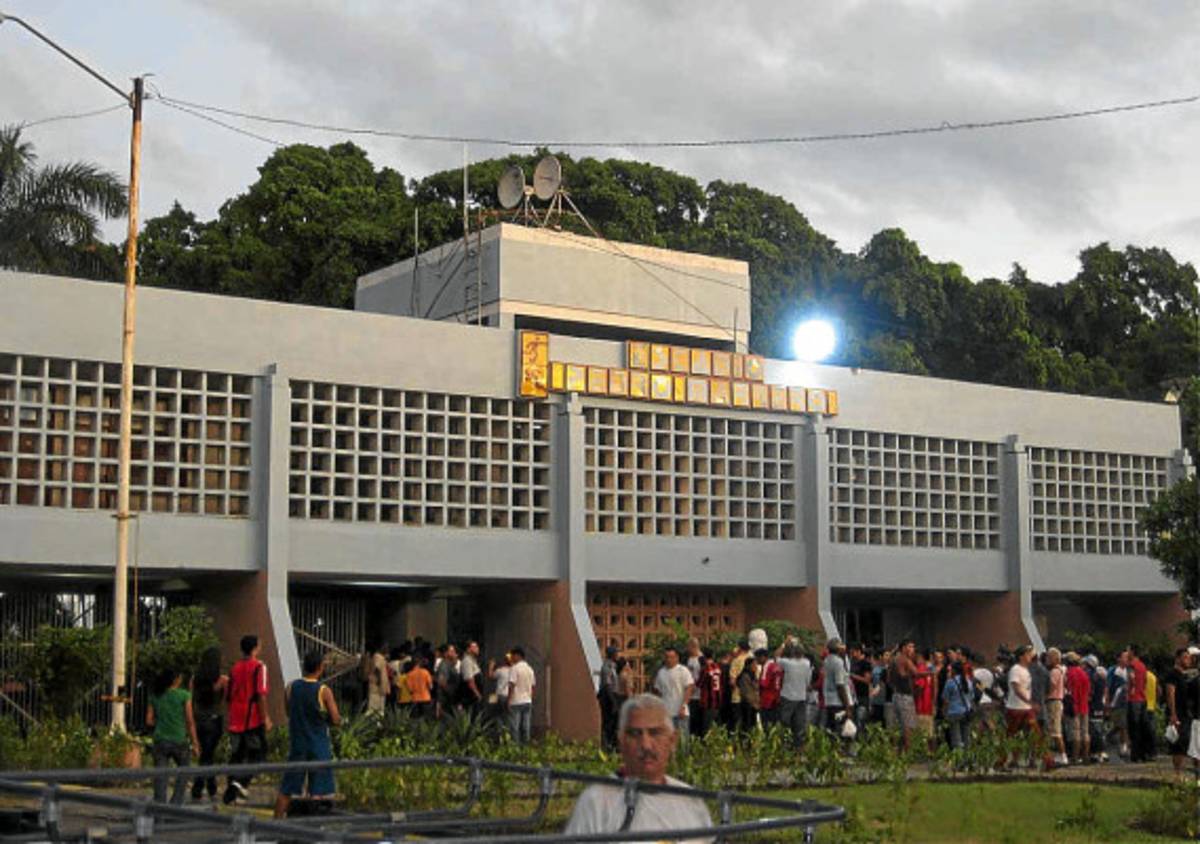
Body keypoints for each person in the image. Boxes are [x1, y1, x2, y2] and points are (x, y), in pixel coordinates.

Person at [564, 694, 712, 842]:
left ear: (672, 740)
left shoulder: (690, 801)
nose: (646, 745)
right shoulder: (597, 802)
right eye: (635, 734)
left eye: (655, 733)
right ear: (621, 741)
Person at [274, 651, 342, 818]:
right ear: (320, 667)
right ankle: (312, 828)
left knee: (287, 788)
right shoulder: (324, 691)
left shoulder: (291, 687)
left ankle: (274, 823)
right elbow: (336, 718)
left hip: (298, 743)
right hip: (318, 745)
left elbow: (289, 712)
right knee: (317, 791)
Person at [224, 634, 271, 805]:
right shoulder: (259, 667)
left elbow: (228, 694)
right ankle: (239, 783)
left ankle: (233, 788)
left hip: (235, 716)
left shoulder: (234, 667)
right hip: (252, 718)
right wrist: (265, 717)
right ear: (255, 648)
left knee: (236, 754)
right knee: (259, 754)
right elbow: (260, 695)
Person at [147, 666, 199, 805]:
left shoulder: (155, 695)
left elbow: (149, 720)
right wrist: (195, 743)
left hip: (160, 740)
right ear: (175, 680)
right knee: (184, 770)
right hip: (179, 740)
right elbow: (190, 721)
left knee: (160, 776)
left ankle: (160, 806)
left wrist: (162, 720)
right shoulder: (184, 695)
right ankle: (175, 804)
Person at [190, 646, 228, 802]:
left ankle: (205, 788)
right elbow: (225, 701)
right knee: (208, 755)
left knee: (207, 755)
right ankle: (203, 788)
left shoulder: (195, 679)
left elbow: (191, 700)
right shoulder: (223, 680)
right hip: (215, 718)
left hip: (199, 718)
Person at [653, 647, 695, 747]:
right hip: (667, 713)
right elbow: (658, 691)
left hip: (680, 712)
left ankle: (684, 761)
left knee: (683, 741)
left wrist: (683, 705)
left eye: (671, 657)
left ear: (677, 658)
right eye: (666, 657)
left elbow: (689, 688)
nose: (668, 659)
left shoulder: (683, 670)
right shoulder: (661, 672)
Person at [1165, 647, 1197, 774]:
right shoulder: (1173, 674)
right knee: (1179, 744)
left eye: (1189, 657)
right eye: (1185, 657)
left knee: (1186, 742)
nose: (1188, 660)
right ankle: (1177, 773)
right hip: (1178, 714)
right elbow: (1170, 693)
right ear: (1178, 659)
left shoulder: (1185, 675)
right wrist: (1173, 714)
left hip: (1186, 713)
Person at [777, 643, 811, 748]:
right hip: (801, 697)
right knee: (799, 724)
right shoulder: (807, 663)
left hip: (787, 697)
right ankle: (799, 748)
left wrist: (783, 644)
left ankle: (784, 745)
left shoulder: (787, 663)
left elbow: (776, 656)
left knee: (785, 723)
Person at [889, 640, 918, 751]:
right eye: (910, 647)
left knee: (899, 725)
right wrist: (931, 673)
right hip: (905, 695)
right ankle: (908, 751)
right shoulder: (904, 659)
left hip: (896, 695)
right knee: (907, 726)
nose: (912, 649)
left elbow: (889, 678)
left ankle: (898, 751)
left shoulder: (893, 660)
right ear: (904, 648)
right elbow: (915, 673)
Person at [1064, 653, 1091, 765]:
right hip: (1084, 706)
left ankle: (1075, 757)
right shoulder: (1084, 673)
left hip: (1073, 706)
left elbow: (1068, 690)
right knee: (1085, 732)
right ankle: (1085, 757)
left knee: (1075, 733)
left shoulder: (1069, 673)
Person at [1125, 644, 1151, 762]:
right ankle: (1144, 753)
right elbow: (1144, 682)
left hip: (1133, 699)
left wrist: (1129, 691)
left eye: (1128, 651)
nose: (1126, 653)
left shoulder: (1131, 666)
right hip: (1142, 698)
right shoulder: (1142, 666)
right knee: (1142, 727)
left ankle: (1135, 755)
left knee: (1133, 728)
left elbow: (1131, 680)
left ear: (1132, 652)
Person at [507, 646, 536, 743]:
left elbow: (511, 685)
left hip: (516, 701)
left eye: (512, 656)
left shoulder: (514, 668)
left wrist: (509, 700)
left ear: (518, 656)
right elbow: (532, 686)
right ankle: (526, 745)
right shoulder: (530, 669)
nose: (511, 658)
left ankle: (515, 746)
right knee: (526, 726)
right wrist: (530, 697)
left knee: (515, 726)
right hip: (527, 700)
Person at [941, 661, 972, 751]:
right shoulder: (968, 681)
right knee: (966, 738)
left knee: (956, 739)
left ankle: (959, 759)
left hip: (954, 712)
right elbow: (971, 696)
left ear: (954, 670)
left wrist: (944, 712)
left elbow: (945, 700)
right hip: (966, 712)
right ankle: (968, 758)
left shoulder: (950, 682)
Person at [1044, 648, 1068, 766]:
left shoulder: (1054, 671)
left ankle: (1063, 755)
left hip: (1053, 701)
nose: (1047, 659)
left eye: (1049, 657)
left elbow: (1052, 686)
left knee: (1055, 731)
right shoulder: (1061, 670)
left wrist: (1045, 696)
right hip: (1057, 701)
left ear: (1056, 659)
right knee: (1054, 730)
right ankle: (1059, 755)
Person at [598, 646, 621, 750]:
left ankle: (612, 744)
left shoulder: (613, 666)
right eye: (616, 653)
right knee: (608, 722)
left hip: (612, 695)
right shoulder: (607, 667)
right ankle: (607, 745)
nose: (618, 655)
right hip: (608, 697)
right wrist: (613, 702)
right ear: (612, 654)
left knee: (613, 722)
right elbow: (607, 685)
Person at [697, 647, 723, 736]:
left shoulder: (705, 669)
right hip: (718, 701)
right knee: (717, 727)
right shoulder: (717, 667)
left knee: (706, 729)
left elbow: (699, 684)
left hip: (708, 702)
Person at [435, 643, 462, 719]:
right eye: (451, 651)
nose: (454, 653)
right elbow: (442, 682)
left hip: (451, 700)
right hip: (447, 701)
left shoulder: (450, 665)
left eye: (454, 651)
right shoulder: (444, 665)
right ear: (445, 653)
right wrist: (453, 694)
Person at [758, 649, 783, 729]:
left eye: (758, 658)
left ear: (763, 657)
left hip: (767, 700)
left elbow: (763, 684)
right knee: (774, 724)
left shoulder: (767, 666)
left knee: (766, 725)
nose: (757, 661)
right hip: (777, 699)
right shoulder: (776, 666)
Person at [366, 639, 390, 716]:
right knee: (375, 708)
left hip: (379, 687)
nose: (387, 648)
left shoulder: (378, 656)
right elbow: (377, 669)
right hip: (377, 687)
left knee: (379, 708)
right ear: (381, 647)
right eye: (386, 646)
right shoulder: (378, 656)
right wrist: (379, 682)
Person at [460, 641, 484, 713]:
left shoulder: (473, 660)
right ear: (468, 649)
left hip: (474, 696)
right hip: (470, 696)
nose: (477, 648)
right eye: (474, 647)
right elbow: (470, 680)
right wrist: (477, 694)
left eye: (477, 647)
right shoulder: (467, 661)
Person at [407, 655, 434, 719]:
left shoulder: (409, 674)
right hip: (426, 697)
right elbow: (431, 686)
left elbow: (410, 689)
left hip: (415, 698)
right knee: (426, 719)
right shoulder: (426, 672)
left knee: (415, 718)